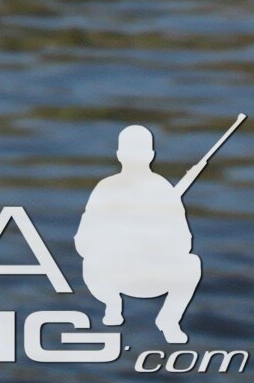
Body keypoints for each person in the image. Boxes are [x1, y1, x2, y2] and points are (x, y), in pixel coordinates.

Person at [77, 123, 207, 343]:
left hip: (144, 274)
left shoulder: (161, 191)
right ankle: (113, 304)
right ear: (151, 155)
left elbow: (183, 244)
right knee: (191, 264)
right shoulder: (109, 188)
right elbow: (84, 243)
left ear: (119, 155)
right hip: (115, 273)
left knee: (191, 263)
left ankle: (167, 319)